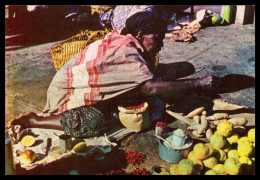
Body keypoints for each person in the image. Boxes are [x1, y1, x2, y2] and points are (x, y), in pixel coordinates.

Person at [7, 11, 222, 141]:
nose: (161, 44)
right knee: (99, 122)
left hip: (94, 85)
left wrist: (187, 78)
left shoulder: (131, 43)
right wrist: (199, 84)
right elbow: (151, 88)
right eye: (156, 39)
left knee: (184, 68)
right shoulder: (127, 51)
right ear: (140, 36)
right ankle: (34, 120)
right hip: (71, 94)